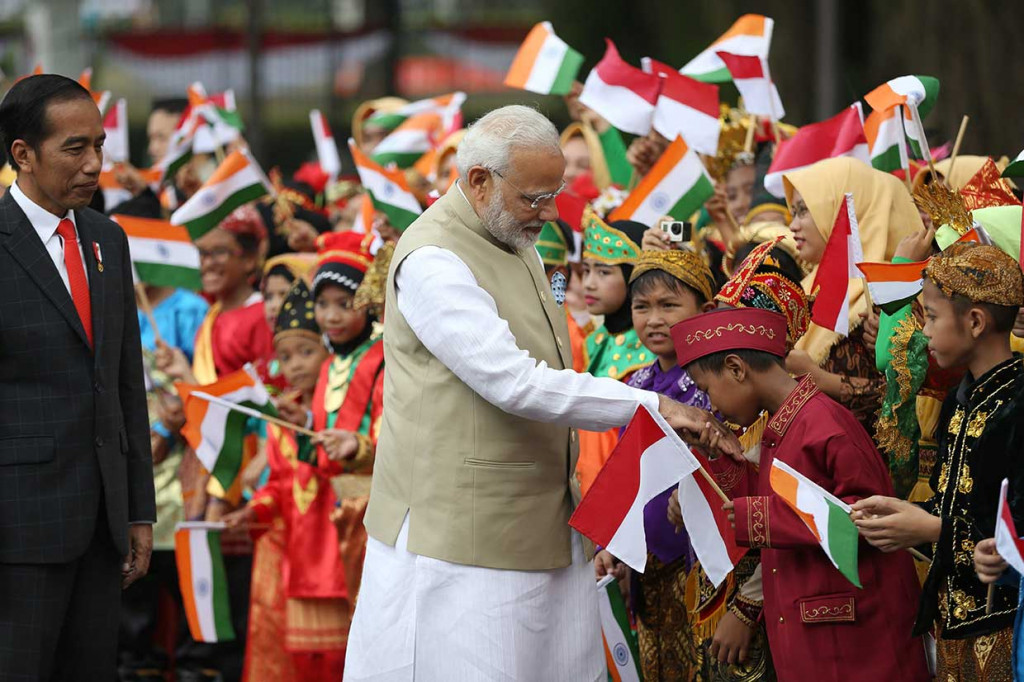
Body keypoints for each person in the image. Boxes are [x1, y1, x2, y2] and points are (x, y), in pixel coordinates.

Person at [344, 105, 739, 681]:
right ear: (479, 181)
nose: (550, 212)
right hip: (460, 539)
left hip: (544, 521)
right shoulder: (434, 261)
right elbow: (513, 382)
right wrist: (653, 407)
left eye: (553, 194)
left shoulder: (511, 232)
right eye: (535, 197)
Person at [673, 305, 930, 682]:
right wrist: (723, 455)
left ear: (736, 369)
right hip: (818, 633)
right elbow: (782, 501)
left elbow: (869, 519)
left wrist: (760, 519)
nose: (711, 405)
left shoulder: (824, 423)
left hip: (857, 642)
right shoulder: (786, 424)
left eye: (707, 389)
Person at [0, 73, 156, 680]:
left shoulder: (106, 239)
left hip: (102, 527)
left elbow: (124, 385)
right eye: (75, 148)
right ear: (23, 155)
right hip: (18, 533)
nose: (95, 164)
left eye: (100, 145)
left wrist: (137, 510)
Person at [853, 243, 1024, 680]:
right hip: (953, 621)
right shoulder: (958, 401)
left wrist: (932, 528)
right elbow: (954, 510)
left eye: (929, 316)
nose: (923, 331)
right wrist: (907, 515)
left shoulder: (1019, 406)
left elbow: (1012, 530)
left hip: (1006, 627)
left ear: (975, 321)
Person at [594, 248, 718, 680]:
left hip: (697, 568)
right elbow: (624, 473)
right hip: (642, 570)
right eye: (642, 307)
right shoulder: (636, 385)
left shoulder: (717, 383)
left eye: (669, 305)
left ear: (704, 310)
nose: (654, 319)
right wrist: (610, 543)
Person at [226, 280, 348, 681]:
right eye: (285, 356)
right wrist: (252, 510)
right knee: (305, 664)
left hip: (342, 556)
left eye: (306, 351)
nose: (294, 365)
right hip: (302, 561)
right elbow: (278, 484)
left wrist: (315, 428)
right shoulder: (283, 418)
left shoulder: (346, 411)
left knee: (344, 660)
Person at [783, 156, 922, 434]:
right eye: (793, 213)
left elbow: (903, 400)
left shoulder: (897, 296)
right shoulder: (809, 286)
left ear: (843, 212)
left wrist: (820, 379)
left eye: (803, 211)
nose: (792, 226)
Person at [576, 207, 650, 494]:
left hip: (624, 485)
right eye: (586, 270)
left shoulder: (651, 350)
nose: (589, 283)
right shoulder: (594, 340)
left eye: (604, 272)